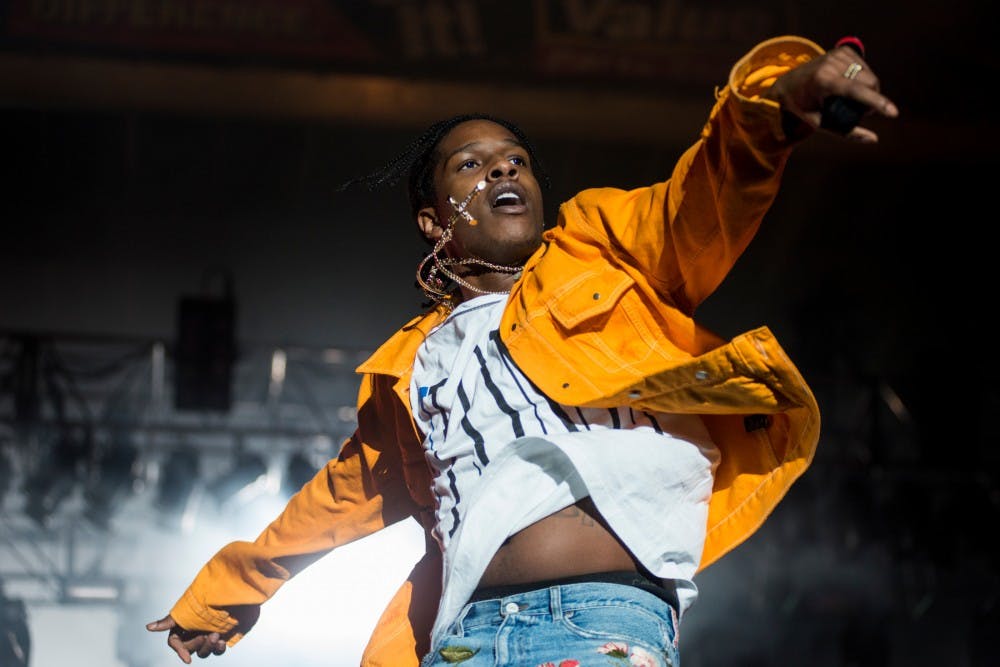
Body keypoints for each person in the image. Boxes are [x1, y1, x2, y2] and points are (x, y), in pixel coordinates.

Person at [146, 34, 898, 666]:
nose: (503, 168)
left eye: (515, 159)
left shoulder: (605, 254)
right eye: (471, 165)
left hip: (602, 624)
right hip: (463, 641)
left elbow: (704, 193)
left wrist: (773, 105)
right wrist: (225, 594)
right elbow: (331, 504)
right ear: (434, 221)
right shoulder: (407, 368)